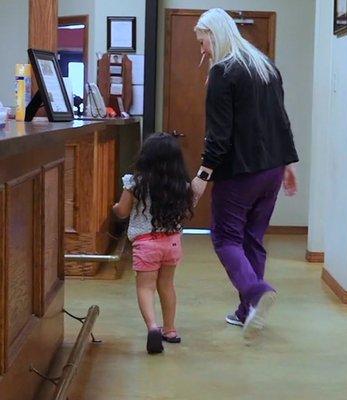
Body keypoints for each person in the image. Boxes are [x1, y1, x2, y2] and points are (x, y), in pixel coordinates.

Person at [191, 8, 299, 339]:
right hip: (271, 170)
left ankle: (256, 293)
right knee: (252, 239)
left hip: (240, 172)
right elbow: (281, 120)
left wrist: (202, 175)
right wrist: (289, 164)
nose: (202, 50)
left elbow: (219, 136)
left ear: (215, 34)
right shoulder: (265, 66)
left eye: (203, 41)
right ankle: (246, 311)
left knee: (225, 238)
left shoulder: (224, 72)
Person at [113, 133, 193, 354]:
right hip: (172, 243)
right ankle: (170, 330)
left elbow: (122, 211)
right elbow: (185, 212)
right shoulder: (181, 185)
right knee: (167, 285)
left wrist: (113, 208)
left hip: (146, 244)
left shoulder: (135, 183)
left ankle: (152, 327)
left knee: (145, 287)